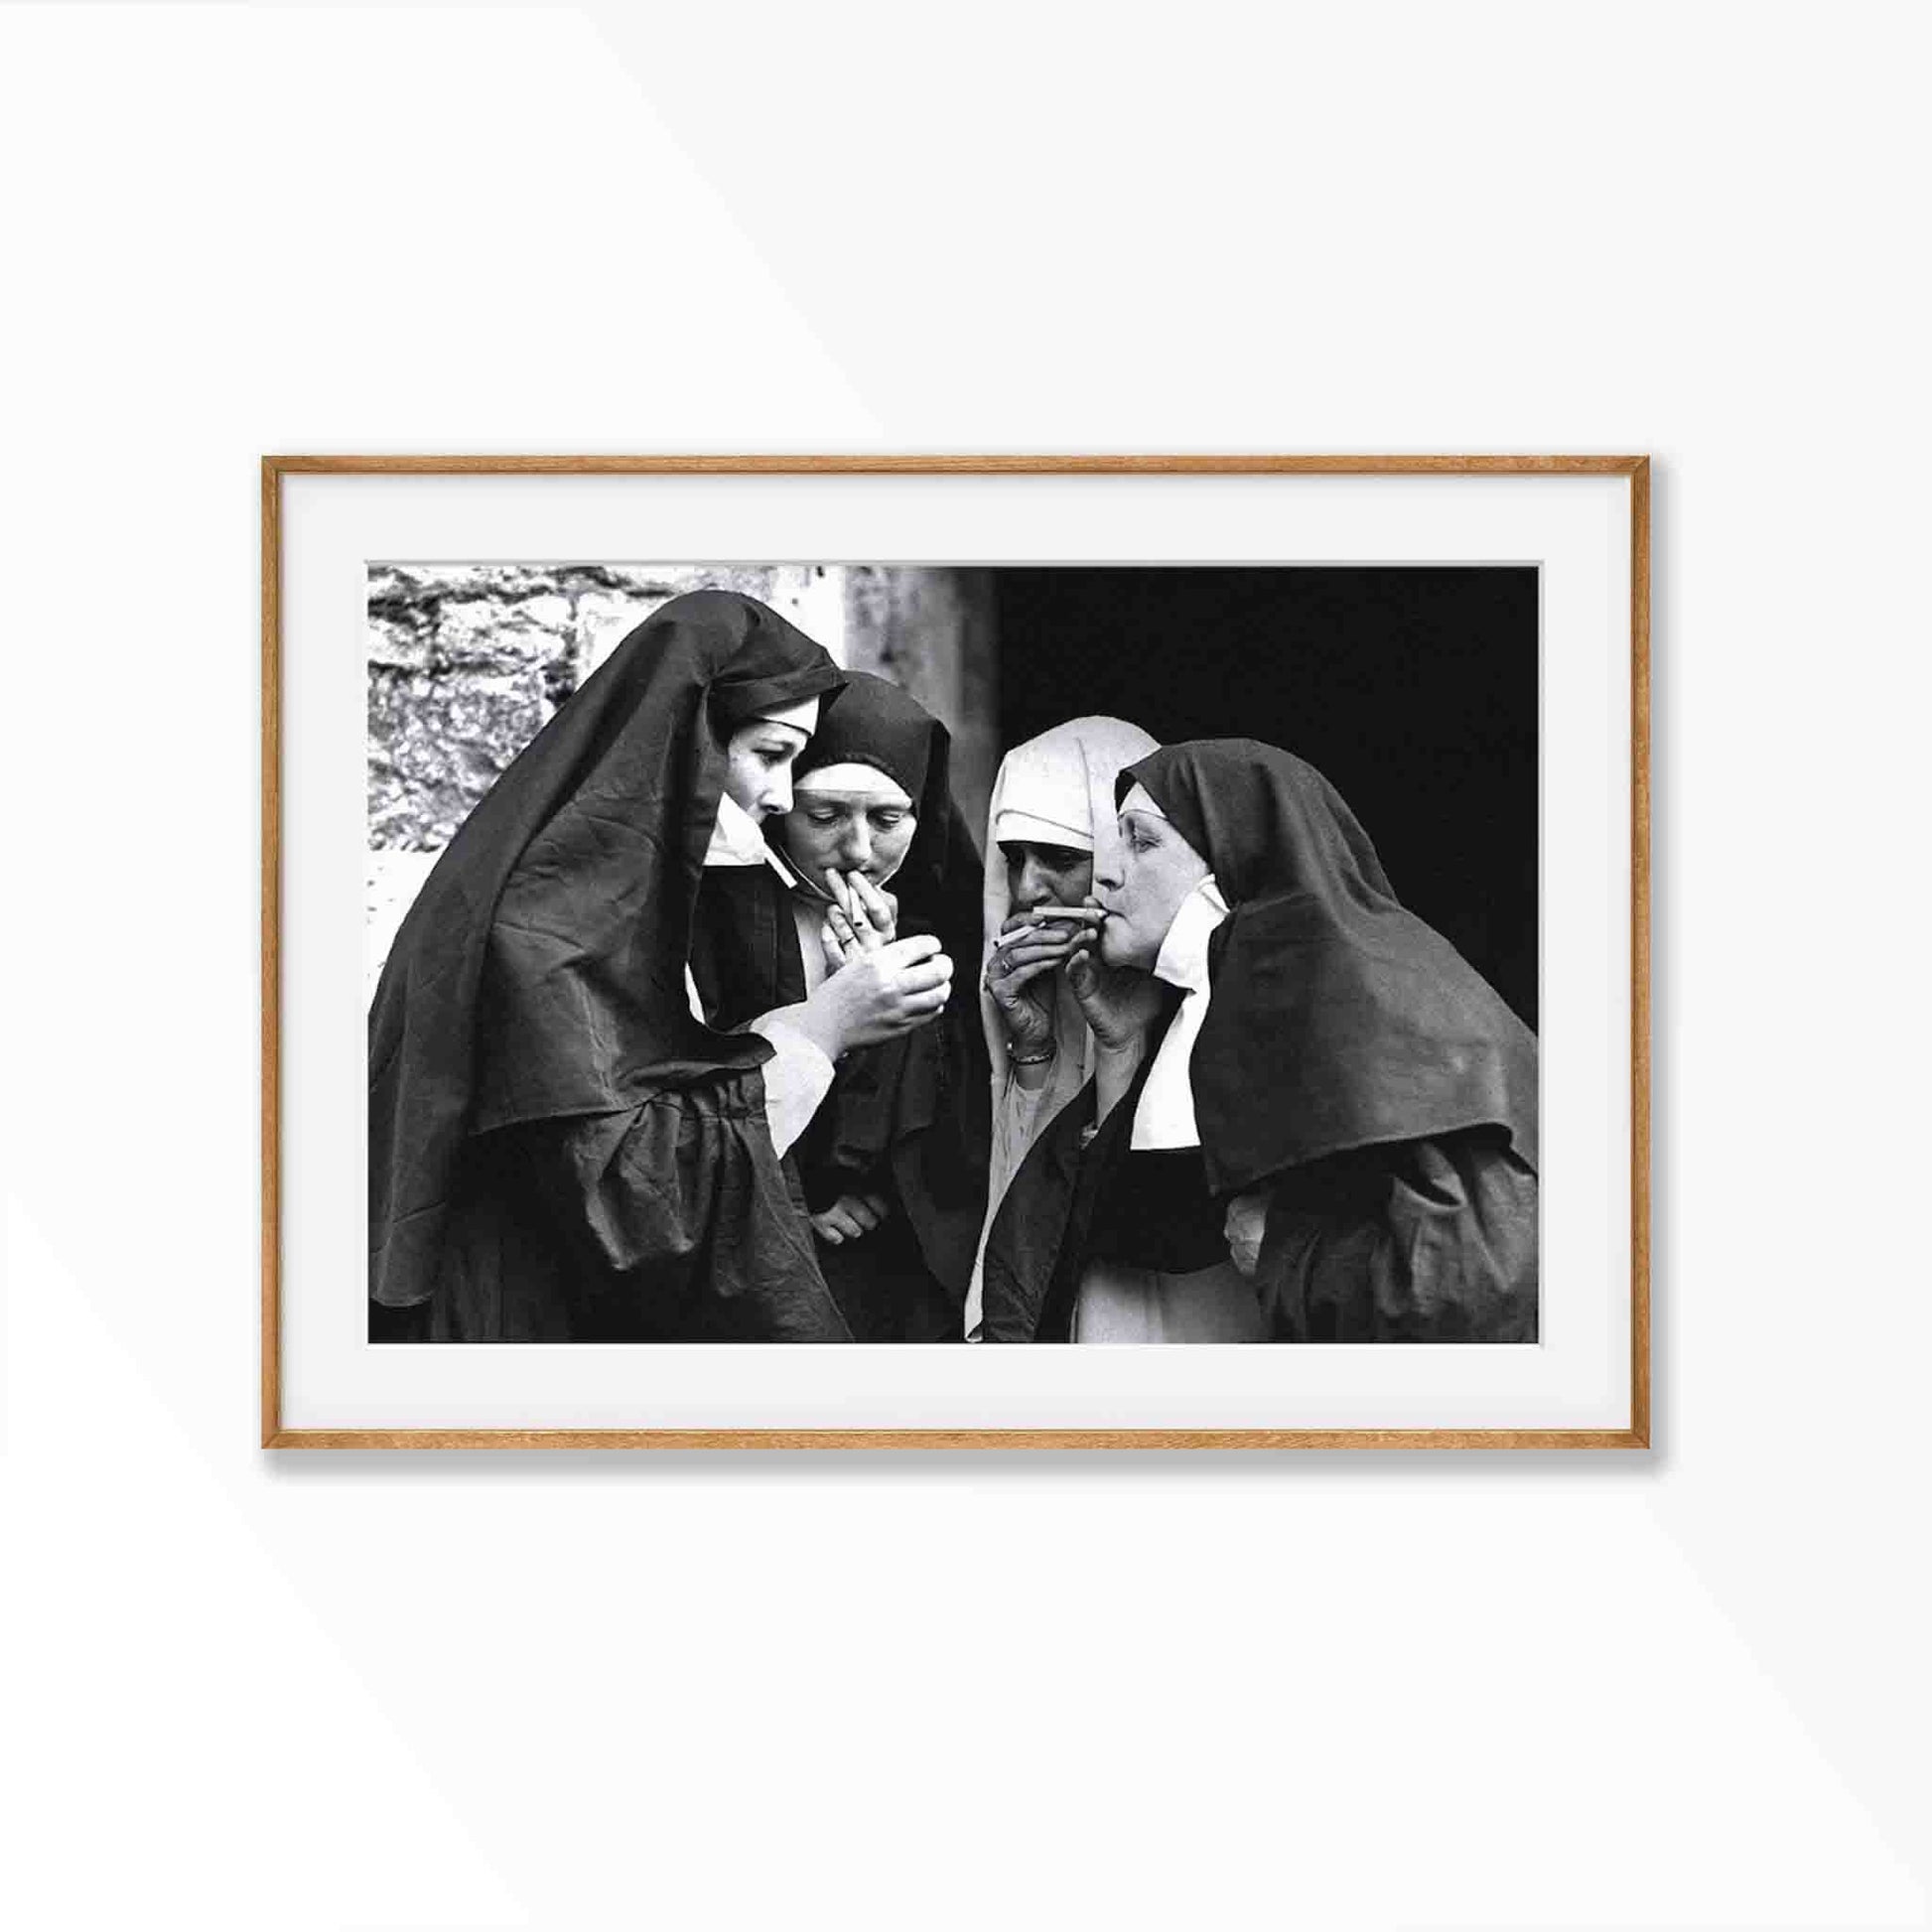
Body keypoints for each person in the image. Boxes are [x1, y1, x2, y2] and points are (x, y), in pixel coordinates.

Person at [368, 591, 954, 1342]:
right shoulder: (553, 922)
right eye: (770, 755)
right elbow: (634, 1196)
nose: (780, 797)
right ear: (689, 738)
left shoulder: (635, 897)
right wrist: (823, 1028)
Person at [977, 738, 1538, 1343]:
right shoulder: (1207, 1003)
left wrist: (1295, 1258)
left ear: (1234, 855)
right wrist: (1119, 1046)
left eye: (1141, 841)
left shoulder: (1360, 989)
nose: (1107, 873)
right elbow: (1146, 1229)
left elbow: (1476, 1274)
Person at [689, 671, 989, 1340]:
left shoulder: (946, 920)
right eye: (823, 816)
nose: (857, 850)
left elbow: (965, 1109)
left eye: (887, 820)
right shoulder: (714, 918)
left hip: (900, 1256)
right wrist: (803, 1195)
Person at [964, 716, 1159, 1338]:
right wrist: (1032, 1046)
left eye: (1061, 858)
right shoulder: (1026, 987)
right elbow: (1021, 1203)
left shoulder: (1210, 988)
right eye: (1013, 859)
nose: (1028, 889)